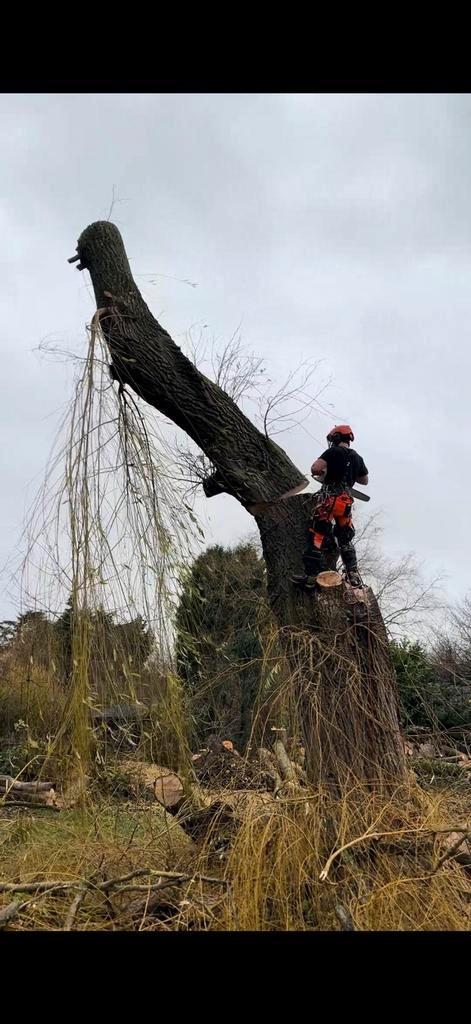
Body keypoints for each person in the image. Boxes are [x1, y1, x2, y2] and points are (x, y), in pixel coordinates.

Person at [292, 424, 368, 589]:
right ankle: (353, 574)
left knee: (317, 535)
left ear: (336, 438)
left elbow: (315, 468)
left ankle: (311, 576)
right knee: (345, 538)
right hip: (346, 502)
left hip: (329, 501)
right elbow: (364, 480)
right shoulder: (357, 457)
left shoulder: (332, 452)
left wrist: (325, 472)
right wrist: (351, 474)